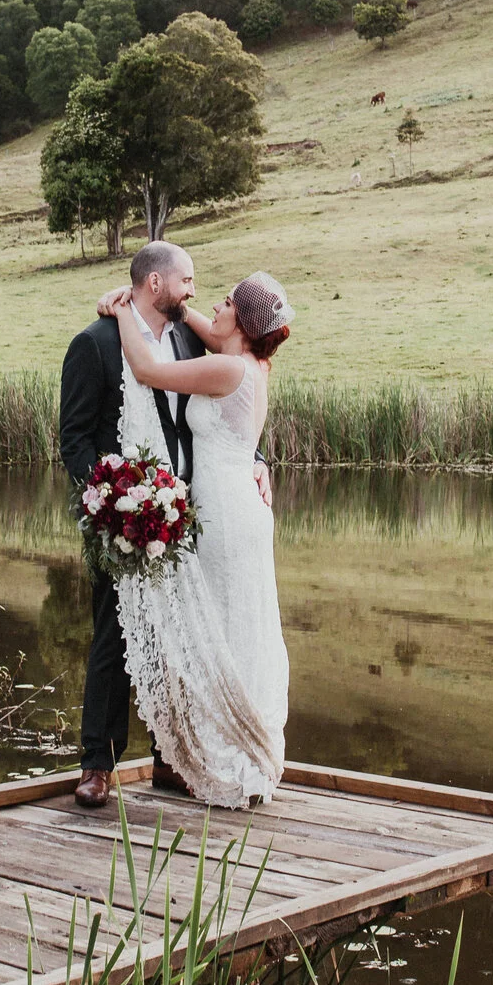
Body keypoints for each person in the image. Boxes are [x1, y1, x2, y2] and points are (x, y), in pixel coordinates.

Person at [97, 267, 294, 808]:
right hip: (243, 511)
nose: (216, 305)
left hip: (227, 516)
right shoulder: (250, 361)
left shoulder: (228, 369)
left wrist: (121, 312)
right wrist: (173, 306)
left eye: (228, 302)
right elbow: (200, 324)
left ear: (244, 323)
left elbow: (146, 368)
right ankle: (235, 746)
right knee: (239, 625)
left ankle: (225, 754)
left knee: (223, 627)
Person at [58, 243, 208, 809]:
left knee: (177, 638)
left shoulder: (188, 340)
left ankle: (169, 759)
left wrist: (257, 459)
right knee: (112, 638)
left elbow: (217, 412)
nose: (192, 291)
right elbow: (74, 438)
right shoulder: (93, 345)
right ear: (154, 285)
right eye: (186, 281)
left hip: (181, 516)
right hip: (117, 522)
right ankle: (98, 764)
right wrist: (109, 502)